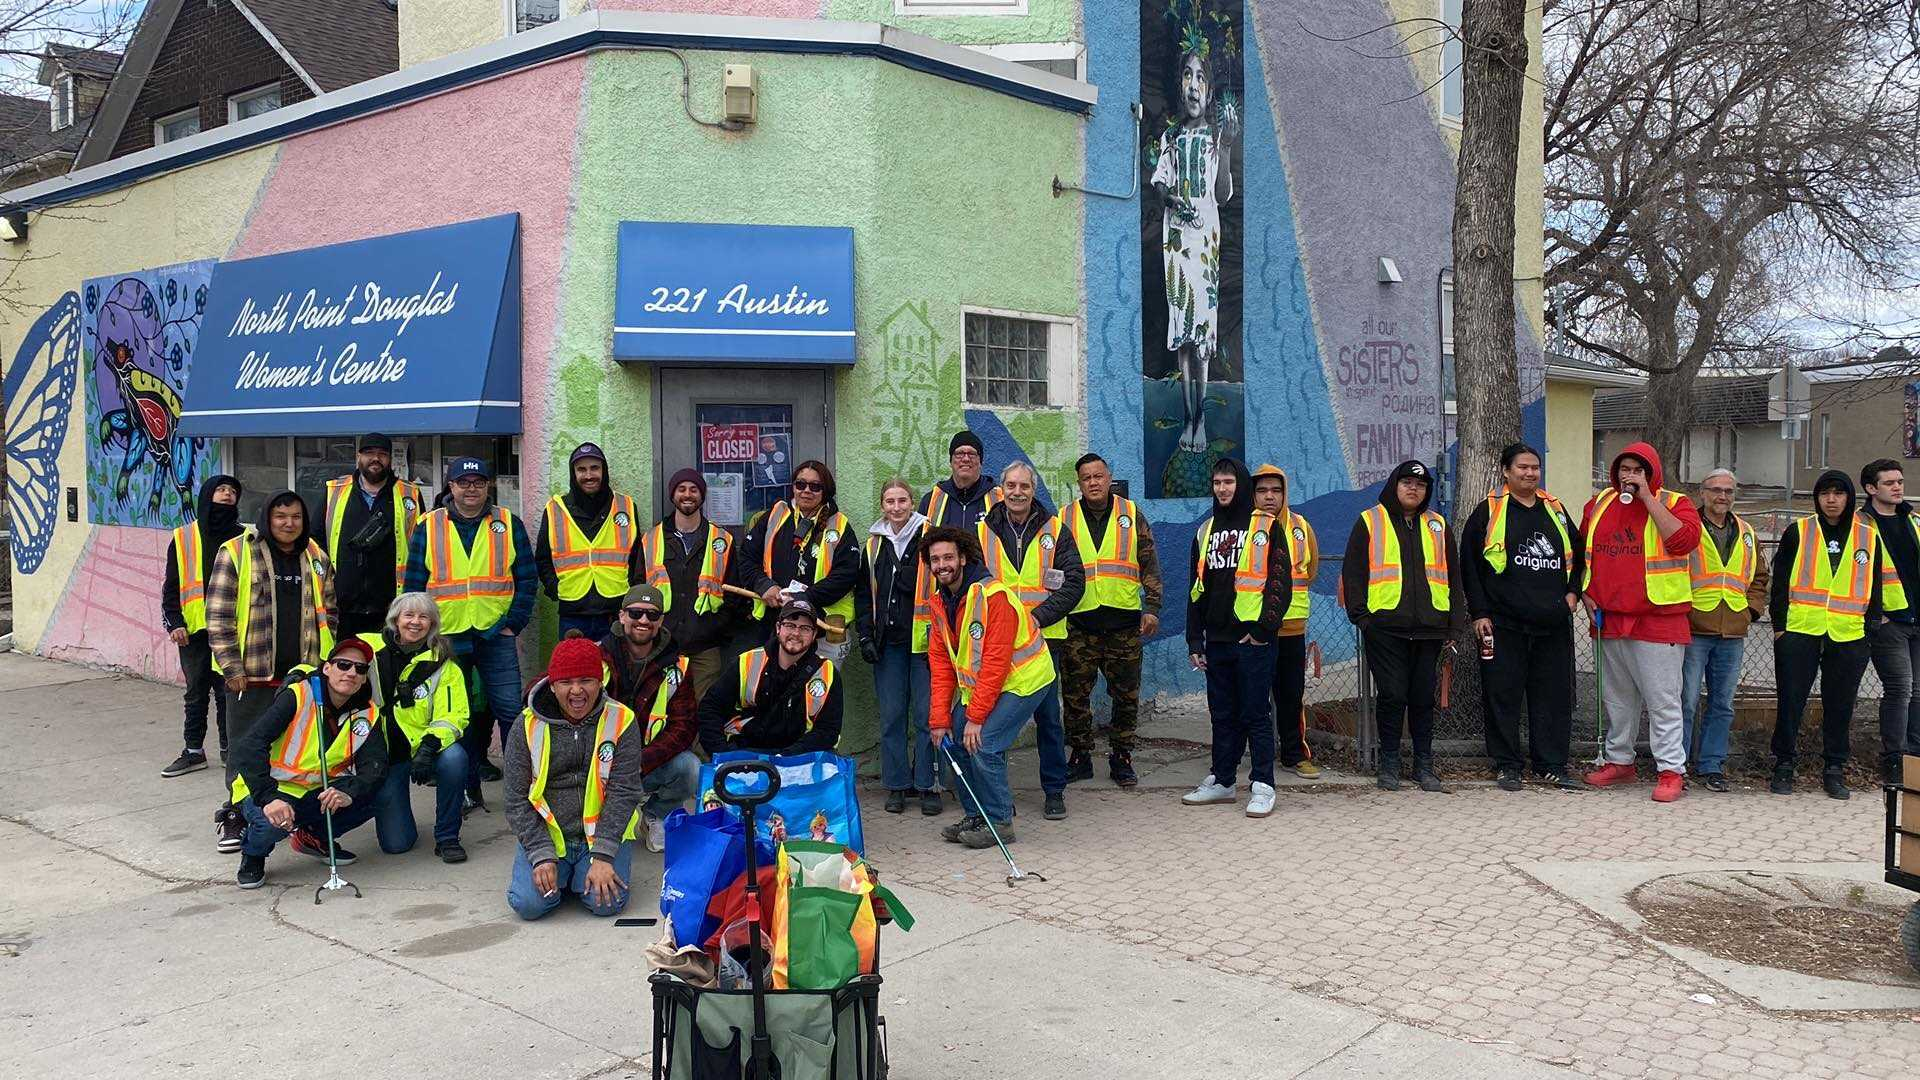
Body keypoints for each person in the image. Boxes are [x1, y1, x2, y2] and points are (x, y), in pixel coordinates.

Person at [206, 489, 335, 853]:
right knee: (244, 747)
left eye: (295, 516)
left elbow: (331, 609)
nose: (289, 523)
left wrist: (320, 665)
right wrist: (232, 667)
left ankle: (296, 821)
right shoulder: (236, 552)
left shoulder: (316, 556)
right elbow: (217, 616)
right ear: (267, 517)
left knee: (297, 750)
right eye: (281, 516)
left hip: (301, 675)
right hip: (252, 675)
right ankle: (236, 815)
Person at [405, 457, 537, 796]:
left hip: (495, 634)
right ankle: (466, 789)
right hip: (446, 639)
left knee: (510, 710)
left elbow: (526, 579)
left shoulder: (508, 524)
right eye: (464, 482)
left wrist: (514, 623)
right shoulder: (428, 525)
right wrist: (421, 634)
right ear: (451, 487)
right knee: (455, 716)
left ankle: (520, 788)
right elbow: (414, 586)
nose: (471, 488)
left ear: (488, 486)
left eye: (478, 482)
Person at [1579, 442, 1701, 803]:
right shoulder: (1600, 504)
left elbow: (1682, 541)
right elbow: (1582, 550)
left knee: (1663, 701)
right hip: (1609, 616)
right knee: (1618, 699)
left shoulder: (1677, 503)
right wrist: (1585, 590)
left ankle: (1670, 770)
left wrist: (1649, 499)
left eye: (1638, 470)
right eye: (1624, 469)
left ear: (1651, 474)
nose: (1629, 476)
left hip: (1658, 617)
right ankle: (1620, 761)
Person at [1458, 444, 1584, 792]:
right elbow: (1470, 566)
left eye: (1535, 467)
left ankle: (1551, 764)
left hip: (1553, 624)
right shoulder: (1488, 512)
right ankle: (1507, 764)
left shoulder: (1555, 510)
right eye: (1522, 467)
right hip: (1503, 624)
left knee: (1553, 698)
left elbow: (1580, 553)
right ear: (1505, 471)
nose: (1530, 473)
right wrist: (1479, 613)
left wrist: (1572, 593)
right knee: (1503, 694)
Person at [924, 527, 1056, 849]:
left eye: (948, 557)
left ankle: (999, 821)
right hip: (985, 687)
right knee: (953, 739)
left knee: (983, 744)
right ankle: (976, 814)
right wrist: (940, 719)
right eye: (935, 559)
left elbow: (996, 663)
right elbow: (941, 666)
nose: (942, 565)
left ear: (963, 558)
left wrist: (977, 717)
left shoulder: (994, 596)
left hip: (1024, 679)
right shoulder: (940, 603)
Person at [1343, 460, 1466, 793]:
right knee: (1393, 696)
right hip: (1384, 629)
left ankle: (1424, 765)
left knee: (1422, 699)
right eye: (1407, 482)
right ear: (1394, 485)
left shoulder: (1438, 525)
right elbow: (1353, 573)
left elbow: (1454, 578)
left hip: (1429, 630)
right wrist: (1362, 619)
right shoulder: (1370, 521)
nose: (1414, 489)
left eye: (1421, 485)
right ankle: (1390, 763)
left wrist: (1454, 627)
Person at [230, 638, 386, 889]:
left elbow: (376, 765)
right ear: (327, 668)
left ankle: (314, 837)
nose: (351, 673)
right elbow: (249, 746)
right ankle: (253, 853)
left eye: (360, 669)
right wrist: (268, 798)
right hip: (273, 789)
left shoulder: (367, 713)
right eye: (343, 665)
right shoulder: (299, 696)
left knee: (379, 794)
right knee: (272, 826)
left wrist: (348, 793)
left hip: (317, 791)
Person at [504, 636, 643, 919]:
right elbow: (516, 799)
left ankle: (578, 874)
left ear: (600, 682)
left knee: (606, 904)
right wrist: (541, 854)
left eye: (586, 680)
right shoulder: (526, 725)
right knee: (528, 905)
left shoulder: (622, 720)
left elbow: (624, 791)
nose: (577, 691)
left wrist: (604, 855)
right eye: (566, 682)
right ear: (553, 686)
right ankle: (564, 872)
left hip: (599, 838)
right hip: (550, 838)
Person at [1769, 469, 1888, 800]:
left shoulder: (1867, 536)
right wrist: (1780, 628)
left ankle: (1834, 769)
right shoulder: (1799, 531)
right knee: (1791, 702)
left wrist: (1870, 630)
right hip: (1800, 630)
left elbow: (1874, 588)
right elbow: (1779, 584)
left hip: (1849, 635)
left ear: (1850, 498)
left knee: (1840, 706)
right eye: (1825, 493)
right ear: (1817, 498)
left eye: (1838, 493)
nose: (1831, 499)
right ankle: (1783, 765)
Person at [1183, 458, 1291, 816]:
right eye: (1216, 483)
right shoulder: (1205, 530)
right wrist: (1195, 641)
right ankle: (1223, 780)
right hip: (1216, 641)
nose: (1222, 489)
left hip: (1253, 641)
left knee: (1255, 713)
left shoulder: (1265, 526)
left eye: (1228, 482)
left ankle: (1262, 784)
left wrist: (1263, 630)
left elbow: (1280, 583)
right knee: (1222, 715)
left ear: (1241, 484)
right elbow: (1196, 590)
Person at [976, 461, 1082, 820]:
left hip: (1043, 640)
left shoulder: (1056, 530)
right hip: (995, 642)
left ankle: (1054, 790)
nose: (1017, 492)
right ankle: (997, 795)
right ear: (1001, 489)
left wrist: (1035, 618)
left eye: (1024, 486)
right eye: (1011, 485)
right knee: (996, 718)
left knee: (1049, 717)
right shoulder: (982, 531)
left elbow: (1074, 583)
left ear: (1033, 490)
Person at [1060, 453, 1162, 787]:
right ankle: (1080, 756)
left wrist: (1153, 608)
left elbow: (1149, 563)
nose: (1093, 482)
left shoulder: (1131, 515)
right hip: (1079, 624)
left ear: (1109, 477)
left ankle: (1122, 758)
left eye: (1098, 476)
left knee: (1126, 697)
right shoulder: (1064, 519)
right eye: (1086, 478)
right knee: (1075, 697)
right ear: (1079, 483)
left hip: (1124, 625)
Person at [1152, 40, 1232, 454]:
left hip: (1204, 242)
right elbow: (1161, 180)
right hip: (1177, 242)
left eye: (1201, 77)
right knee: (1183, 333)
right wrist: (1169, 198)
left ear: (1210, 90)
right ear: (1180, 84)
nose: (1194, 84)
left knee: (1202, 334)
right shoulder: (1170, 136)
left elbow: (1222, 193)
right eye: (1188, 75)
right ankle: (1188, 417)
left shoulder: (1217, 138)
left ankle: (1200, 420)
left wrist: (1231, 148)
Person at [361, 592, 472, 863]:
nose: (415, 622)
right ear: (395, 620)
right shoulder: (367, 648)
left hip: (424, 748)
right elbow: (331, 669)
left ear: (432, 624)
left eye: (424, 616)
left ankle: (447, 836)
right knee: (397, 844)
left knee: (455, 758)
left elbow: (455, 716)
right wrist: (302, 672)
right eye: (409, 615)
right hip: (385, 754)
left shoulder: (444, 664)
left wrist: (429, 746)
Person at [856, 477, 942, 816]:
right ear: (882, 505)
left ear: (912, 503)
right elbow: (864, 594)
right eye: (890, 502)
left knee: (926, 718)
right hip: (887, 644)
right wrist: (865, 635)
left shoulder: (930, 537)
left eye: (902, 501)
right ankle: (897, 785)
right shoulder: (873, 544)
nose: (896, 508)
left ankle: (928, 784)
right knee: (892, 718)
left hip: (925, 644)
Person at [1681, 469, 1767, 793]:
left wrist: (1751, 609)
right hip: (1695, 627)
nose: (1723, 497)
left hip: (1733, 629)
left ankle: (1711, 765)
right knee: (1686, 701)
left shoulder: (1746, 532)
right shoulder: (1690, 528)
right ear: (1702, 493)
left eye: (1729, 491)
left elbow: (1759, 575)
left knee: (1723, 704)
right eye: (1716, 490)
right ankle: (1679, 765)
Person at [598, 585, 702, 852]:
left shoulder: (679, 666)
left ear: (660, 622)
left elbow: (684, 727)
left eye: (652, 615)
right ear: (621, 617)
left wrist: (640, 761)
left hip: (647, 762)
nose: (643, 620)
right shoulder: (597, 656)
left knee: (690, 768)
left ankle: (656, 813)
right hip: (598, 762)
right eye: (636, 613)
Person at [160, 473, 244, 778]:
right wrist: (174, 623)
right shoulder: (183, 537)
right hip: (193, 632)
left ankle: (230, 751)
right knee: (196, 692)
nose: (226, 494)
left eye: (232, 491)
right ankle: (193, 751)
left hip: (233, 632)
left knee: (229, 693)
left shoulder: (245, 538)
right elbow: (171, 586)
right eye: (221, 489)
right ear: (207, 494)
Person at [633, 468, 741, 701]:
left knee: (703, 712)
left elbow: (734, 594)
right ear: (673, 495)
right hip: (661, 646)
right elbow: (637, 590)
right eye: (681, 489)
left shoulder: (722, 540)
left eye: (694, 489)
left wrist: (714, 627)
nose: (688, 494)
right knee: (663, 709)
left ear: (702, 496)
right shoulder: (650, 540)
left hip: (706, 648)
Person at [698, 600, 845, 756]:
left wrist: (785, 758)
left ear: (814, 634)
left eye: (805, 628)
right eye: (790, 625)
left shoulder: (826, 671)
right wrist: (722, 754)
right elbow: (710, 707)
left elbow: (828, 731)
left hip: (800, 758)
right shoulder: (747, 661)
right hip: (745, 754)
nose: (796, 633)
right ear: (778, 628)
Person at [737, 460, 859, 645]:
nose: (806, 490)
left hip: (822, 629)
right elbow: (747, 557)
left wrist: (804, 598)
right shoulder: (774, 515)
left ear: (825, 490)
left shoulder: (839, 525)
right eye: (800, 484)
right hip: (775, 626)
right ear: (793, 487)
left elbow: (846, 575)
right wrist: (763, 585)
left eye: (815, 486)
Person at [1249, 463, 1319, 780]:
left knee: (1291, 696)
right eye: (1262, 490)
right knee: (1252, 697)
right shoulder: (1242, 528)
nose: (1269, 497)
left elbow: (1311, 571)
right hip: (1253, 629)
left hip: (1291, 628)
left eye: (1276, 490)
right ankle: (1248, 756)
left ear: (1284, 493)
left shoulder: (1301, 527)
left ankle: (1294, 754)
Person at [322, 434, 425, 639]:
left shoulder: (410, 494)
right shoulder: (334, 491)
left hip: (391, 605)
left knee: (387, 667)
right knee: (347, 666)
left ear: (390, 459)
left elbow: (422, 546)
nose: (375, 459)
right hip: (342, 605)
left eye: (382, 454)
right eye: (369, 453)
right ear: (358, 457)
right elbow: (316, 541)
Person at [536, 442, 639, 642]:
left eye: (594, 468)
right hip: (573, 613)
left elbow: (637, 557)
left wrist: (631, 594)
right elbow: (542, 559)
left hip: (616, 611)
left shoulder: (625, 506)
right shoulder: (555, 509)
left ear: (604, 471)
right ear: (573, 473)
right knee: (575, 672)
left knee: (616, 671)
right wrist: (554, 588)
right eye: (581, 469)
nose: (589, 475)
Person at [1861, 459, 1920, 784]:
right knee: (1899, 689)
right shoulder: (1862, 525)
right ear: (1871, 488)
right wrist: (1875, 613)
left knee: (1918, 691)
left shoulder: (1913, 521)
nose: (1898, 487)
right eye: (1889, 483)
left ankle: (1915, 759)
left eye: (1900, 481)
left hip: (1917, 619)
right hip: (1889, 623)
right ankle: (1894, 760)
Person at [919, 430, 1003, 528]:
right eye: (959, 453)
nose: (966, 459)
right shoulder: (930, 500)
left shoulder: (999, 499)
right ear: (951, 461)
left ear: (980, 462)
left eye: (972, 454)